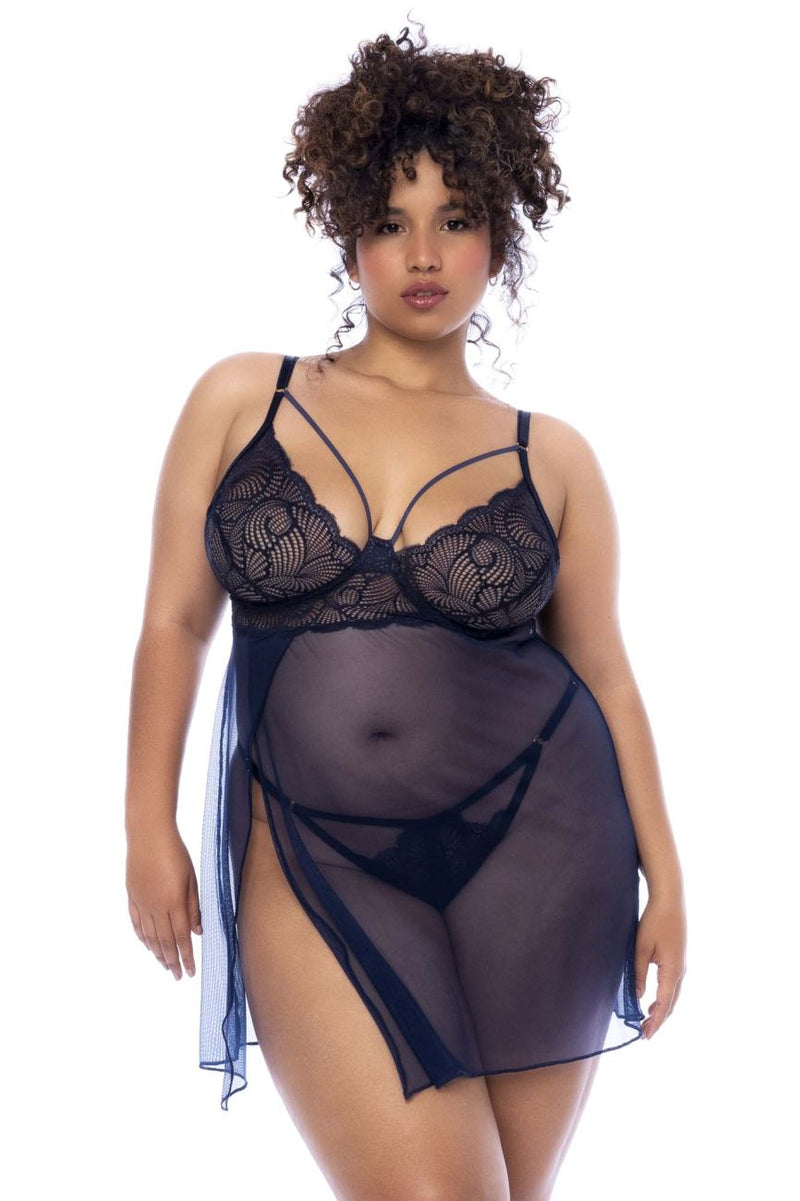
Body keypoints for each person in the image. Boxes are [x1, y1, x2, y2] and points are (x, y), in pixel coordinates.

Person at [125, 22, 687, 1201]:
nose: (422, 254)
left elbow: (606, 674)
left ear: (500, 237)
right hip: (307, 848)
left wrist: (668, 879)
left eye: (454, 219)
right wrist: (145, 822)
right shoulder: (245, 399)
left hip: (543, 847)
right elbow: (175, 622)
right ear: (346, 234)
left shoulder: (551, 458)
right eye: (389, 222)